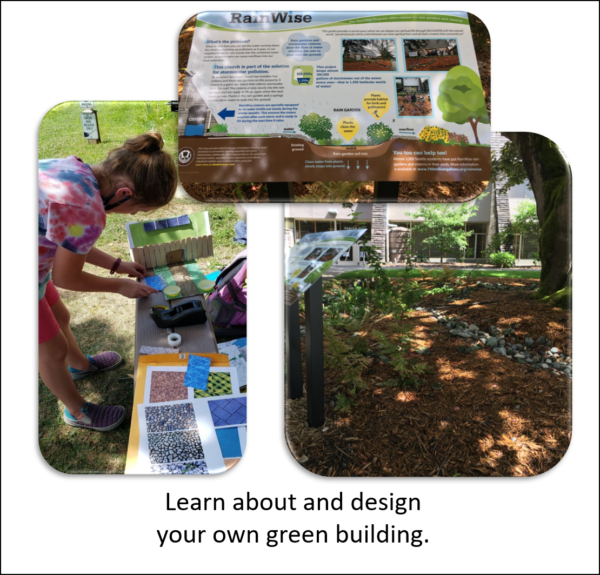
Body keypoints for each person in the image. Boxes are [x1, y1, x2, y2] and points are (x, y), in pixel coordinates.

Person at [39, 132, 177, 431]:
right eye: (138, 209)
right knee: (51, 351)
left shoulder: (75, 171)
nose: (134, 213)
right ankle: (78, 412)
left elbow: (71, 239)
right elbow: (66, 276)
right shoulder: (88, 209)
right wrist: (118, 285)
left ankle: (81, 366)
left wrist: (117, 265)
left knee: (60, 315)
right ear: (125, 194)